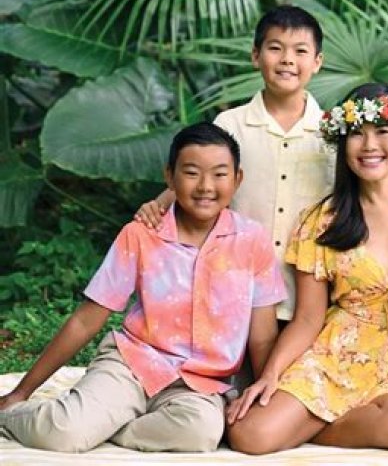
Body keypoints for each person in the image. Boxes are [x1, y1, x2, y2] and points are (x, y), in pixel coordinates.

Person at [223, 83, 388, 455]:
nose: (369, 145)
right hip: (334, 357)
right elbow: (308, 318)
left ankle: (316, 425)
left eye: (383, 131)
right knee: (250, 435)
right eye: (357, 134)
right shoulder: (321, 221)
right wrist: (271, 375)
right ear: (342, 143)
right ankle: (328, 419)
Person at [0, 122, 286, 453]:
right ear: (170, 177)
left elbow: (262, 336)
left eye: (219, 174)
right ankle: (12, 417)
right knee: (64, 433)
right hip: (132, 365)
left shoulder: (252, 240)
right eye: (191, 173)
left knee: (201, 432)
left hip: (199, 384)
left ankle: (112, 429)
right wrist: (21, 392)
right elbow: (87, 319)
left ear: (237, 179)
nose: (206, 186)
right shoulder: (141, 235)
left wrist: (262, 399)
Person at [136, 6, 388, 324]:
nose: (287, 59)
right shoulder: (230, 125)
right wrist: (158, 205)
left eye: (300, 51)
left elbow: (369, 183)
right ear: (256, 56)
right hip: (233, 292)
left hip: (309, 301)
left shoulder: (335, 133)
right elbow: (199, 181)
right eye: (275, 48)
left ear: (317, 62)